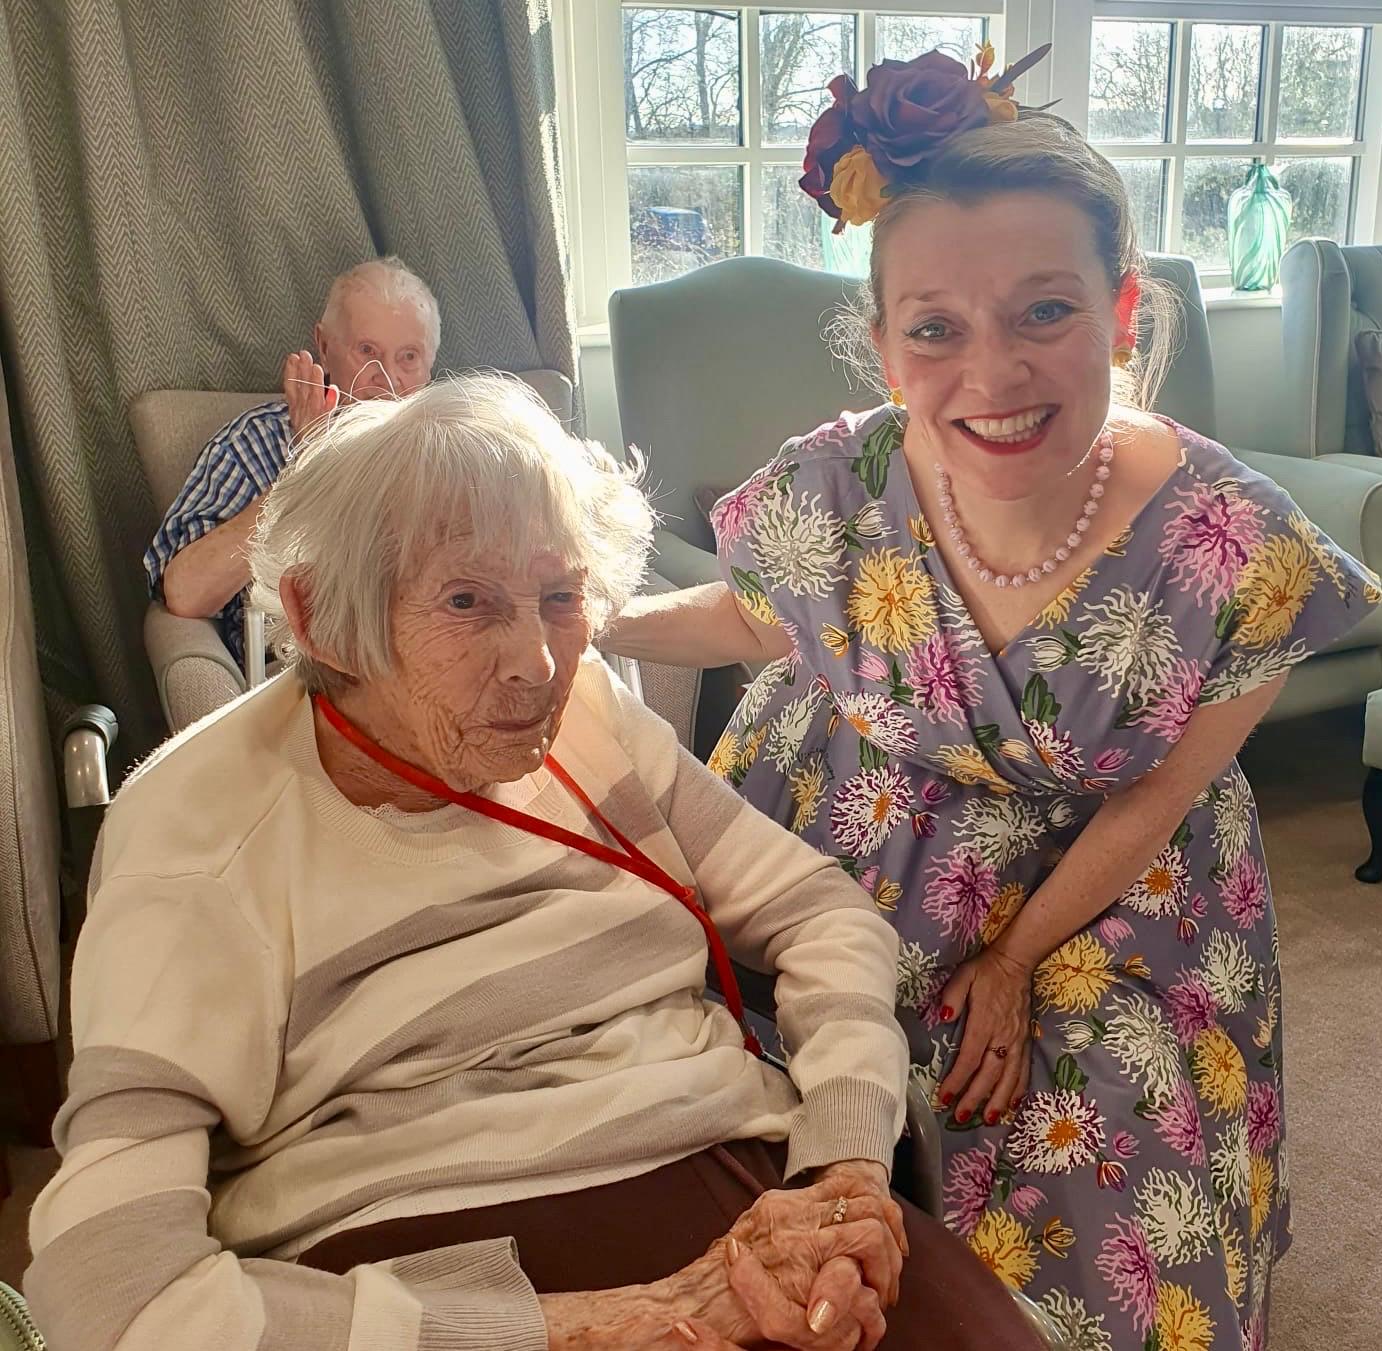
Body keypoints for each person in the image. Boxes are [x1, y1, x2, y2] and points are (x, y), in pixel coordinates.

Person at [600, 46, 1382, 1351]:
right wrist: (583, 614)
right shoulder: (839, 475)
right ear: (883, 342)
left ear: (1120, 311)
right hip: (832, 829)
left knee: (1103, 1227)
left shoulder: (1235, 541)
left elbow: (1154, 796)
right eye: (935, 328)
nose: (992, 373)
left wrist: (1012, 959)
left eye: (1043, 312)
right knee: (715, 1156)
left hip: (1103, 893)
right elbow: (757, 616)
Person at [27, 375, 1049, 1351]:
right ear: (318, 615)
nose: (539, 663)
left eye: (560, 595)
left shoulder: (591, 715)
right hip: (407, 1248)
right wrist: (606, 1324)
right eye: (466, 602)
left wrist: (841, 1170)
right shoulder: (196, 832)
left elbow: (820, 914)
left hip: (726, 1165)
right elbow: (113, 1291)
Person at [142, 255, 440, 670]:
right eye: (367, 351)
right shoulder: (255, 442)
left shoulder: (454, 452)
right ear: (324, 347)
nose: (387, 378)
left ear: (430, 367)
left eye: (408, 357)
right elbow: (186, 594)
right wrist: (308, 467)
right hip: (305, 677)